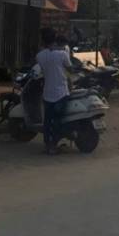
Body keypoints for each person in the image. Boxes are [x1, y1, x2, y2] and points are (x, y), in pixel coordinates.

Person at [36, 27, 72, 155]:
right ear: (55, 38)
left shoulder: (39, 56)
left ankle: (48, 145)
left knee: (48, 120)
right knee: (58, 120)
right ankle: (54, 145)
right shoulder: (62, 54)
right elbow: (70, 68)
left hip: (47, 93)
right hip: (62, 92)